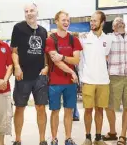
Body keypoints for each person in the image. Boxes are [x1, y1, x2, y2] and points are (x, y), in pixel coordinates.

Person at [11, 3, 49, 145]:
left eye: (31, 10)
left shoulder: (43, 31)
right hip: (23, 75)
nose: (29, 13)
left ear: (37, 12)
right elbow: (14, 51)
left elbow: (45, 52)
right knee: (20, 107)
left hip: (40, 76)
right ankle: (18, 139)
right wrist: (17, 66)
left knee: (41, 107)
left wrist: (46, 66)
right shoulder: (18, 28)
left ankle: (42, 140)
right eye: (26, 11)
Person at [45, 10, 82, 145]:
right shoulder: (51, 40)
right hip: (55, 82)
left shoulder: (74, 40)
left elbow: (76, 60)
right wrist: (72, 72)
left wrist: (64, 57)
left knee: (69, 111)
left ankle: (68, 138)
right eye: (63, 20)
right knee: (55, 111)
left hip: (70, 83)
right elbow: (56, 61)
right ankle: (54, 139)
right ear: (56, 21)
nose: (66, 22)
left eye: (68, 20)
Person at [102, 17, 127, 145]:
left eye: (121, 20)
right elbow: (103, 54)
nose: (119, 22)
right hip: (113, 75)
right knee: (109, 106)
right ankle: (112, 132)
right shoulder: (108, 37)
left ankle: (123, 135)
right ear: (112, 27)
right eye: (116, 22)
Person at [78, 10, 111, 145]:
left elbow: (106, 58)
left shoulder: (107, 39)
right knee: (88, 110)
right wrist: (81, 78)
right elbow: (80, 59)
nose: (92, 23)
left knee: (99, 110)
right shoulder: (84, 37)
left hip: (103, 81)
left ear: (102, 22)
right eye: (91, 20)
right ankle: (87, 137)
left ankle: (98, 138)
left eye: (95, 20)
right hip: (88, 80)